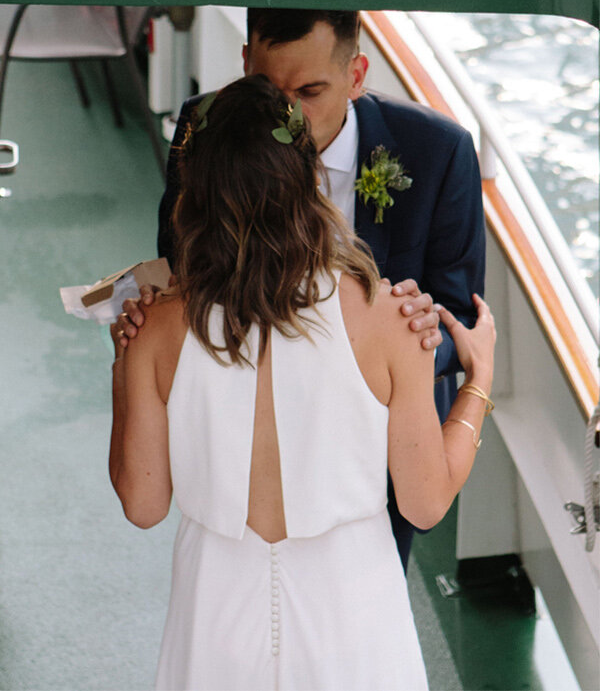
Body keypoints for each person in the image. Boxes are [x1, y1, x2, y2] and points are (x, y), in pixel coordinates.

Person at [110, 75, 496, 689]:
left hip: (214, 613)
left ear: (195, 196)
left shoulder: (154, 330)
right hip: (353, 614)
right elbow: (425, 503)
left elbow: (144, 503)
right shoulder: (390, 321)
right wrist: (477, 384)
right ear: (307, 185)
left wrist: (121, 366)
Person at [115, 8, 485, 567]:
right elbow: (184, 265)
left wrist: (397, 352)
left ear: (357, 75)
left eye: (309, 91)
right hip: (232, 440)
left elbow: (459, 314)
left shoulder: (439, 151)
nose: (286, 116)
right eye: (269, 90)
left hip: (384, 440)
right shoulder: (206, 126)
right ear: (243, 67)